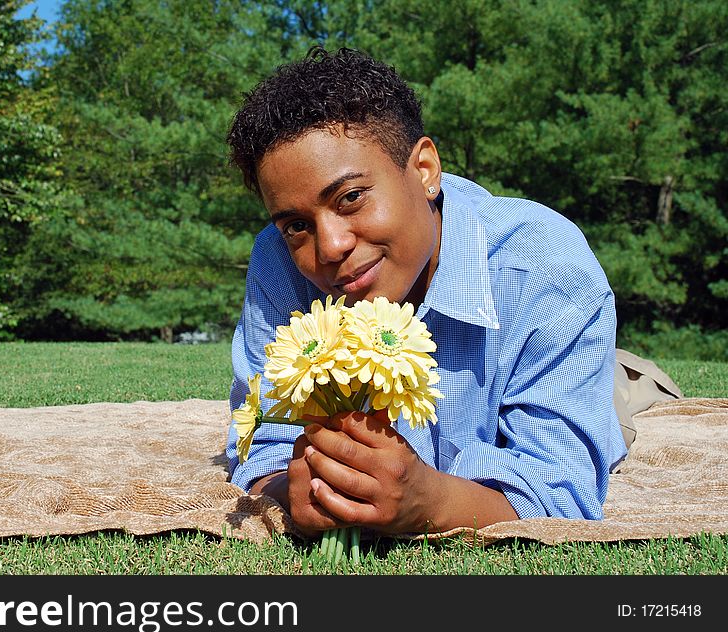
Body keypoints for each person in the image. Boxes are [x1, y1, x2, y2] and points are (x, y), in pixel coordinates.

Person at [223, 46, 632, 538]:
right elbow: (264, 444)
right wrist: (289, 490)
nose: (329, 247)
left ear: (424, 170)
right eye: (295, 224)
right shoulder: (279, 258)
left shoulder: (545, 268)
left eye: (351, 197)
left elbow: (563, 487)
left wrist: (426, 501)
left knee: (619, 400)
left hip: (565, 362)